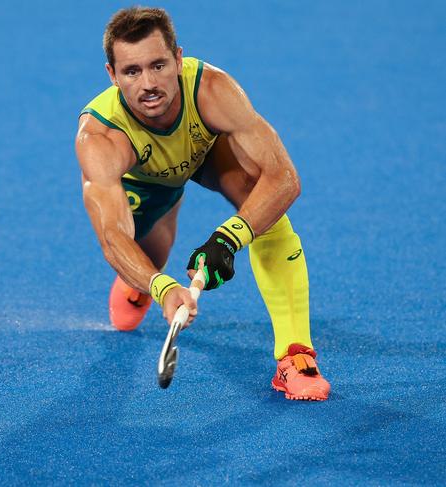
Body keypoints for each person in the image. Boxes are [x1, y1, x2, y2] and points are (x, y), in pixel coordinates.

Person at [75, 6, 330, 401]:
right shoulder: (100, 137)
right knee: (145, 261)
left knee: (262, 202)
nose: (149, 84)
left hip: (206, 155)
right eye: (132, 71)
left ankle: (295, 355)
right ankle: (143, 278)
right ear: (111, 74)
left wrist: (229, 238)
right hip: (143, 184)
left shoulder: (211, 89)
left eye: (158, 65)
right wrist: (160, 287)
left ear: (178, 58)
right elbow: (112, 236)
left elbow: (284, 178)